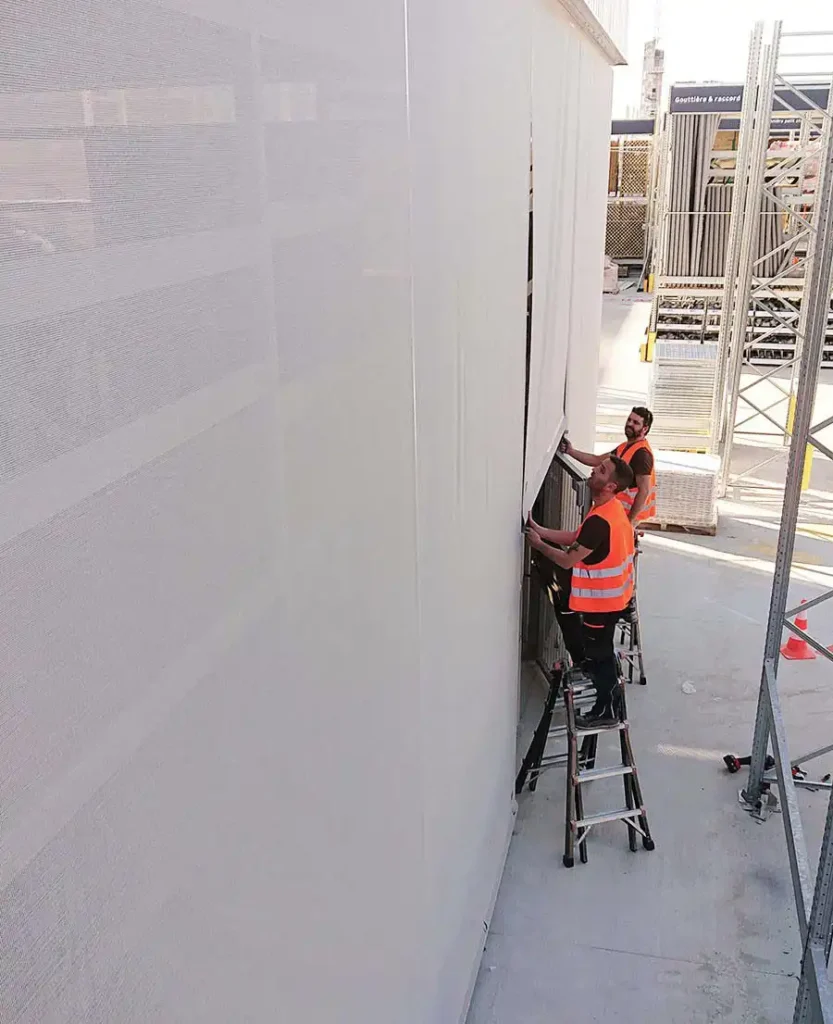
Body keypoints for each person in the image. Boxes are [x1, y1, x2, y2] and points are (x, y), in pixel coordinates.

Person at [526, 455, 635, 727]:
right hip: (614, 599)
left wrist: (538, 545)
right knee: (600, 651)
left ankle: (607, 710)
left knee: (599, 654)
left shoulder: (601, 521)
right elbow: (577, 536)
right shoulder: (609, 509)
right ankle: (605, 698)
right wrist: (540, 530)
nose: (593, 470)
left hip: (602, 604)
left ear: (610, 486)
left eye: (600, 471)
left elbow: (566, 559)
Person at [562, 407, 656, 525]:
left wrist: (629, 522)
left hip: (626, 515)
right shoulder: (625, 447)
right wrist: (571, 451)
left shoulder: (642, 455)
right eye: (629, 420)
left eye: (636, 423)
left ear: (645, 429)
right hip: (618, 511)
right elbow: (596, 460)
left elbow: (644, 491)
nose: (629, 424)